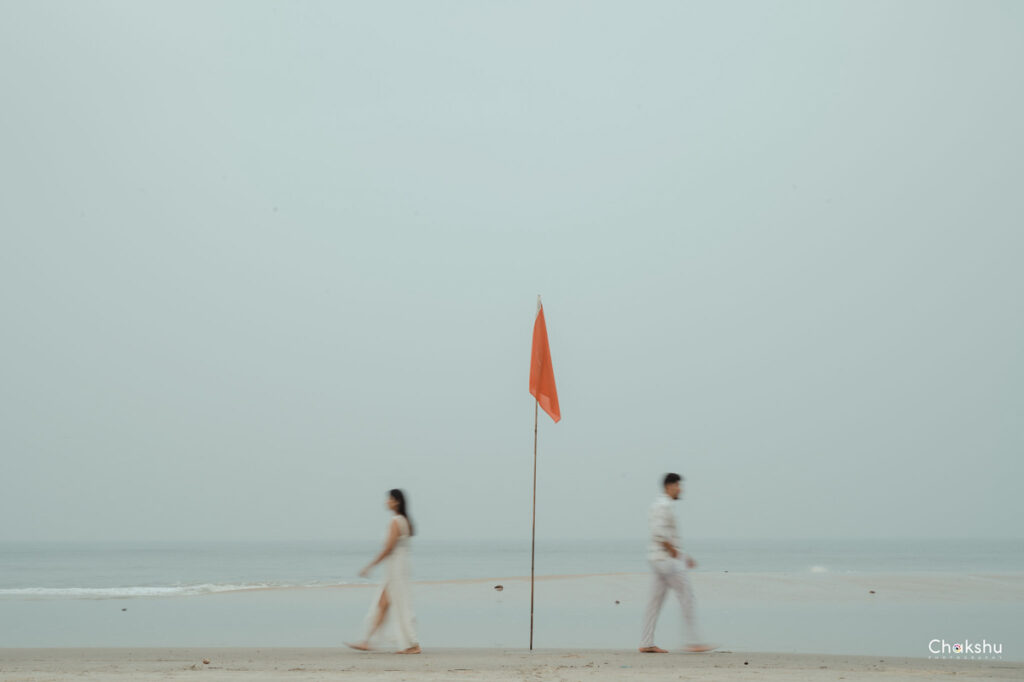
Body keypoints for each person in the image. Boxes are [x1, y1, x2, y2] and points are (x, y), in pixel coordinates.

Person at [638, 473, 715, 653]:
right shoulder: (663, 506)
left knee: (654, 603)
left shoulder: (661, 505)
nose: (680, 489)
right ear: (669, 487)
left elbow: (663, 533)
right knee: (687, 597)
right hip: (667, 560)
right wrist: (674, 553)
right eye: (678, 486)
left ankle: (646, 643)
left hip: (659, 559)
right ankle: (693, 641)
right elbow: (658, 533)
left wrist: (683, 555)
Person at [345, 489, 420, 654]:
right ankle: (367, 641)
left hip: (396, 569)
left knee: (400, 605)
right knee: (383, 604)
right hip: (400, 567)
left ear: (396, 502)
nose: (387, 502)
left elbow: (388, 548)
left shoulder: (396, 521)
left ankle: (413, 644)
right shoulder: (405, 521)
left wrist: (370, 565)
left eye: (389, 499)